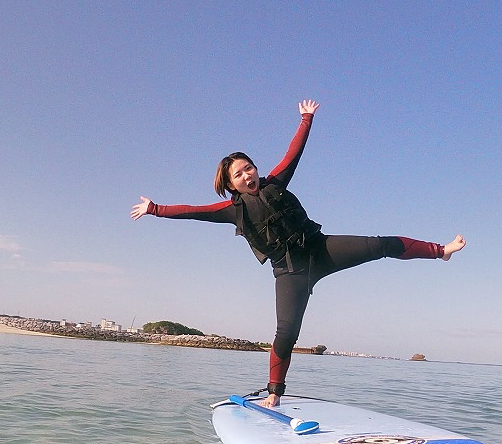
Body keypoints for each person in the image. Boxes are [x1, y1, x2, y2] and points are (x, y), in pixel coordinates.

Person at [131, 100, 464, 407]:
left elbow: (294, 154)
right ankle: (274, 395)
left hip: (320, 250)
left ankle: (440, 251)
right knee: (286, 333)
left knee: (379, 245)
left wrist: (306, 119)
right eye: (239, 174)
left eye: (250, 168)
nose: (248, 175)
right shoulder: (232, 210)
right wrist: (155, 209)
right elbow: (193, 211)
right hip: (289, 272)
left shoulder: (276, 182)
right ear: (231, 184)